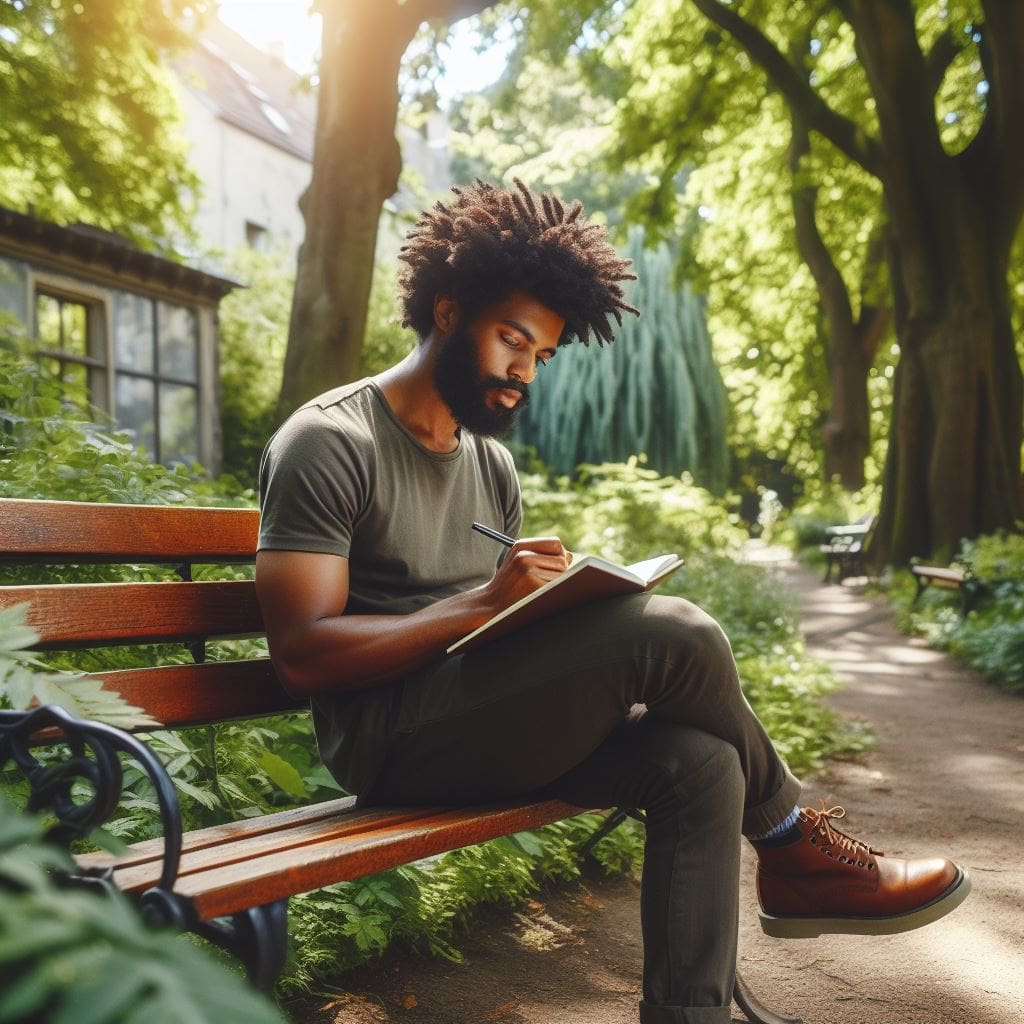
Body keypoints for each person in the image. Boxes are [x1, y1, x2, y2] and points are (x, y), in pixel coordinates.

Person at [255, 180, 969, 1024]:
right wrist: (484, 606)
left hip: (474, 722)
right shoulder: (330, 442)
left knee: (703, 766)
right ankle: (792, 846)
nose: (523, 372)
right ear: (448, 311)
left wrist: (544, 610)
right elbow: (303, 654)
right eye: (510, 340)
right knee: (678, 632)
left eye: (542, 356)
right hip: (386, 742)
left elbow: (490, 639)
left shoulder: (490, 465)